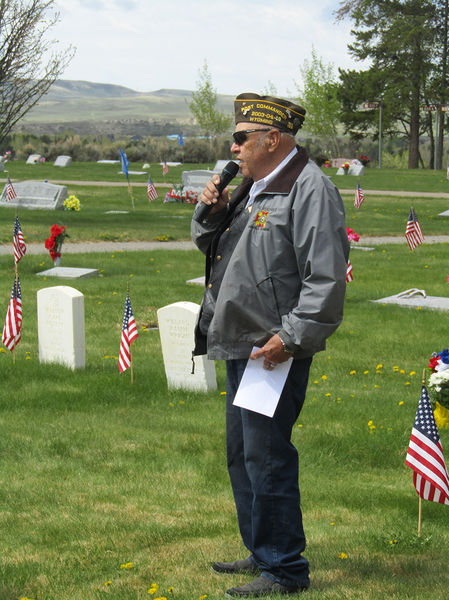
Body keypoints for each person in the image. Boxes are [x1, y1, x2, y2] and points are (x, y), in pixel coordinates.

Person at [191, 93, 349, 597]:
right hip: (242, 341)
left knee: (268, 455)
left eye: (241, 138)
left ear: (272, 139)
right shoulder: (254, 186)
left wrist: (292, 337)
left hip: (272, 349)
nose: (233, 147)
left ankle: (284, 569)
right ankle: (262, 552)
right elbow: (215, 247)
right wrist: (209, 210)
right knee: (243, 454)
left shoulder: (309, 189)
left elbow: (325, 279)